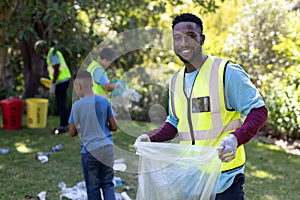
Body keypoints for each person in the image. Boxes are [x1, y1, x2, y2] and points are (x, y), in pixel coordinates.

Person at [134, 13, 268, 199]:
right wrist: (149, 138)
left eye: (191, 36)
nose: (183, 43)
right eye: (177, 38)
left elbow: (258, 111)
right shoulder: (176, 81)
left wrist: (235, 139)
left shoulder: (226, 72)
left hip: (224, 177)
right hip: (191, 178)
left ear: (202, 39)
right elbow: (173, 124)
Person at [68, 70, 117, 200]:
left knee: (93, 186)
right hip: (107, 148)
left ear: (78, 86)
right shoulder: (104, 102)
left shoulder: (77, 106)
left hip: (90, 151)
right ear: (91, 83)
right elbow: (114, 127)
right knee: (108, 183)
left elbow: (72, 132)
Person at [34, 40, 71, 134]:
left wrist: (53, 84)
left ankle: (64, 126)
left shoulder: (52, 54)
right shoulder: (52, 52)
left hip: (61, 81)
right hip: (62, 80)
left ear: (43, 48)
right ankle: (66, 124)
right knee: (61, 103)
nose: (40, 53)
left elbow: (56, 69)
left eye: (40, 50)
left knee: (61, 103)